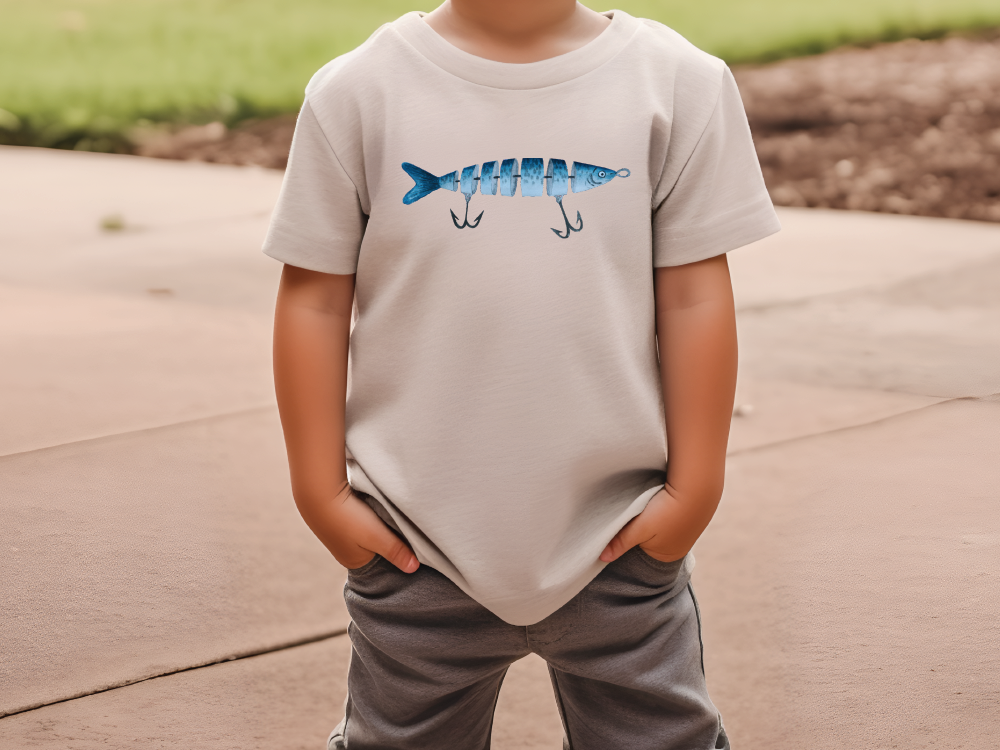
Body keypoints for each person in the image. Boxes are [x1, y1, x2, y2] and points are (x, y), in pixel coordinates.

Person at [264, 1, 780, 747]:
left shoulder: (679, 85)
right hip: (413, 543)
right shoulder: (356, 92)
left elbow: (697, 296)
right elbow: (313, 298)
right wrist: (321, 492)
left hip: (620, 539)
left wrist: (696, 488)